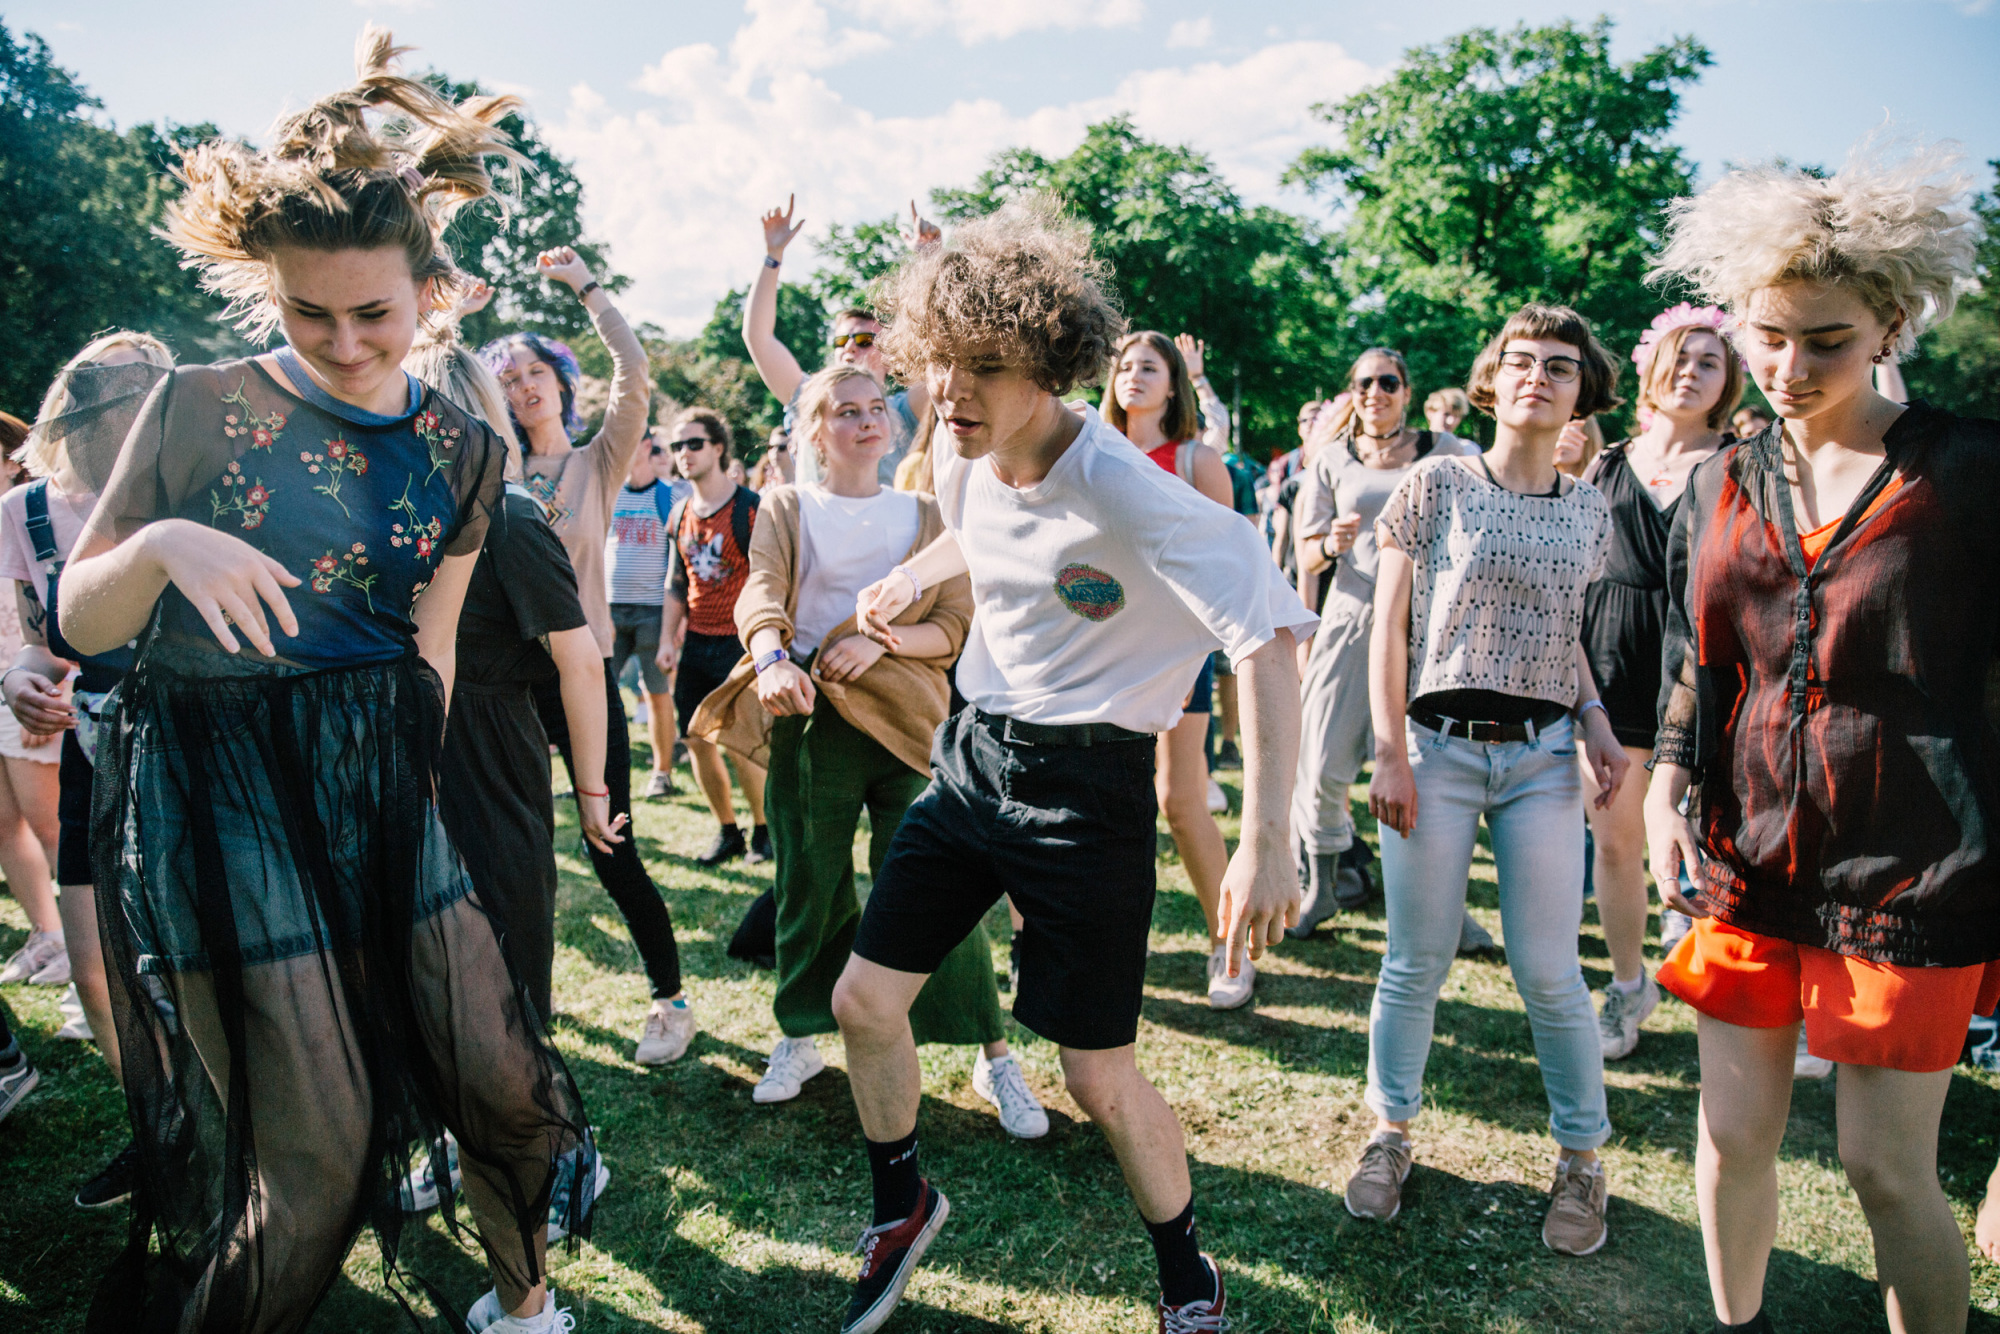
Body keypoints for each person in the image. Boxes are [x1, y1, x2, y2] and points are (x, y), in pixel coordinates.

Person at [58, 31, 592, 1331]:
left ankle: (525, 1307)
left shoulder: (466, 454)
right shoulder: (187, 404)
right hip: (218, 786)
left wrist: (409, 805)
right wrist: (163, 543)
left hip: (377, 785)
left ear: (432, 294)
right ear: (269, 287)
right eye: (311, 312)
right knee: (311, 1165)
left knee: (515, 1096)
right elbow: (80, 613)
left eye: (375, 314)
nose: (346, 343)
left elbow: (432, 649)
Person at [826, 197, 1314, 1334]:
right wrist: (921, 573)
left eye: (982, 367)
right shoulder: (961, 453)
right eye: (939, 360)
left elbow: (1269, 633)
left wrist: (1265, 832)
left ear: (1047, 365)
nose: (949, 390)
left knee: (1095, 1078)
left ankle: (1186, 1274)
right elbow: (987, 525)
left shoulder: (1129, 487)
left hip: (1090, 793)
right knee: (863, 999)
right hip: (972, 760)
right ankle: (902, 1208)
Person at [1643, 141, 1991, 1334]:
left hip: (1915, 865)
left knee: (1883, 1169)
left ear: (1888, 320)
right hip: (1745, 857)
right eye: (1765, 335)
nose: (1785, 369)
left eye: (1824, 341)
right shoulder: (1718, 478)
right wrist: (1663, 785)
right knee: (1729, 1134)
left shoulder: (1972, 473)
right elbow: (1702, 657)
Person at [690, 366, 1047, 1135]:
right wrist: (771, 654)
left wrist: (874, 644)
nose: (865, 420)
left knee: (935, 890)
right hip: (808, 717)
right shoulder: (787, 504)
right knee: (808, 882)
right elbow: (762, 590)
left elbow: (951, 628)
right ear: (816, 431)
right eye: (844, 411)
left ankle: (994, 1053)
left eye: (874, 408)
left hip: (911, 725)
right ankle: (799, 1037)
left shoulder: (926, 512)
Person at [1348, 304, 1627, 1258]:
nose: (1537, 376)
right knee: (1415, 960)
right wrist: (1388, 750)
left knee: (1549, 969)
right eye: (1520, 361)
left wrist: (1594, 720)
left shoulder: (1591, 508)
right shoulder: (1436, 482)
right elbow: (1389, 626)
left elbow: (1569, 641)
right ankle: (1389, 1136)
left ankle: (1583, 1161)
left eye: (1559, 364)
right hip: (1435, 749)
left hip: (1545, 758)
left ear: (1582, 390)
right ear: (1491, 379)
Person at [482, 248, 696, 1069]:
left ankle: (670, 1002)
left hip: (586, 677)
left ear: (560, 382)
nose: (522, 384)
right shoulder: (484, 467)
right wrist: (449, 321)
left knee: (611, 844)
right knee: (511, 845)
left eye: (534, 370)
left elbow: (634, 372)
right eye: (505, 375)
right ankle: (517, 1002)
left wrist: (587, 288)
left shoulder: (596, 463)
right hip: (502, 683)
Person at [1, 329, 176, 1212]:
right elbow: (34, 644)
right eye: (115, 402)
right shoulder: (25, 513)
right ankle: (161, 1130)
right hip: (92, 761)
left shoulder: (196, 491)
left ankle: (249, 1127)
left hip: (199, 759)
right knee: (94, 968)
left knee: (209, 965)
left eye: (151, 396)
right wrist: (21, 680)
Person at [1578, 306, 1741, 1062]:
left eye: (1708, 361)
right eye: (1679, 357)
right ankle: (1625, 983)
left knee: (1709, 847)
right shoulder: (1603, 461)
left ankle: (1742, 1002)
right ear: (1650, 370)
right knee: (1614, 844)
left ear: (1729, 381)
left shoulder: (1747, 462)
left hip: (1704, 671)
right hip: (1610, 668)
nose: (1690, 371)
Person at [1286, 348, 1483, 948]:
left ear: (1406, 389)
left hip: (1433, 624)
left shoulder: (1450, 453)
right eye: (1365, 383)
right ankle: (1322, 885)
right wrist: (1332, 542)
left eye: (1388, 381)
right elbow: (1306, 553)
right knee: (1319, 764)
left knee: (1437, 768)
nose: (1376, 391)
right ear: (1354, 392)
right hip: (1351, 616)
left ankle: (1450, 907)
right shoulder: (1330, 461)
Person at [1101, 328, 1250, 1008]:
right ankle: (1102, 947)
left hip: (1176, 650)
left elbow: (1223, 567)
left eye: (1149, 366)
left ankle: (1230, 943)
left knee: (1181, 802)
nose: (1133, 375)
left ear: (1173, 384)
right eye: (1125, 365)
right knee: (1102, 803)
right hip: (1095, 651)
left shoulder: (1196, 460)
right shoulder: (1089, 452)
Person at [744, 197, 933, 487]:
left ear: (889, 353)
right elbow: (758, 338)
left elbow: (945, 351)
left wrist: (929, 259)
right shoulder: (809, 399)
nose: (850, 346)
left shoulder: (905, 411)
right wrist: (773, 255)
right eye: (841, 340)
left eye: (864, 339)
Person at [656, 408, 769, 863]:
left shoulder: (751, 509)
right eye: (677, 446)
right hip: (697, 641)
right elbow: (676, 581)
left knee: (740, 743)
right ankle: (729, 831)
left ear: (719, 448)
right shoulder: (681, 511)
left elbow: (770, 577)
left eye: (694, 443)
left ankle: (764, 830)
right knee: (695, 740)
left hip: (741, 644)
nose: (684, 454)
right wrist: (668, 639)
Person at [0, 410, 64, 988]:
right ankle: (48, 934)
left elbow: (49, 628)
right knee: (2, 823)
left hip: (30, 691)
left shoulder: (38, 516)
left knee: (54, 827)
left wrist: (47, 691)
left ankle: (84, 948)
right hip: (6, 687)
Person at [606, 427, 685, 799]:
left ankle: (662, 772)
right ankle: (597, 774)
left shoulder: (668, 495)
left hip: (654, 611)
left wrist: (678, 621)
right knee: (598, 693)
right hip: (608, 609)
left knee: (655, 693)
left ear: (646, 447)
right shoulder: (610, 490)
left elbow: (681, 559)